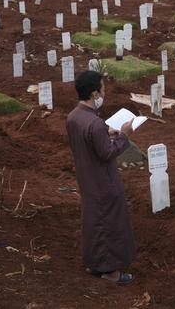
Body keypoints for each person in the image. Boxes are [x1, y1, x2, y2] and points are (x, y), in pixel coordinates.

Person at [66, 70, 136, 285]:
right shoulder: (95, 124)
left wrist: (107, 135)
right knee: (109, 224)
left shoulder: (74, 117)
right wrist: (124, 135)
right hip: (103, 182)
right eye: (103, 90)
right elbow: (107, 153)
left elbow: (90, 144)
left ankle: (94, 262)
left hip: (87, 179)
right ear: (95, 93)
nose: (104, 93)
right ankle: (111, 272)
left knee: (93, 222)